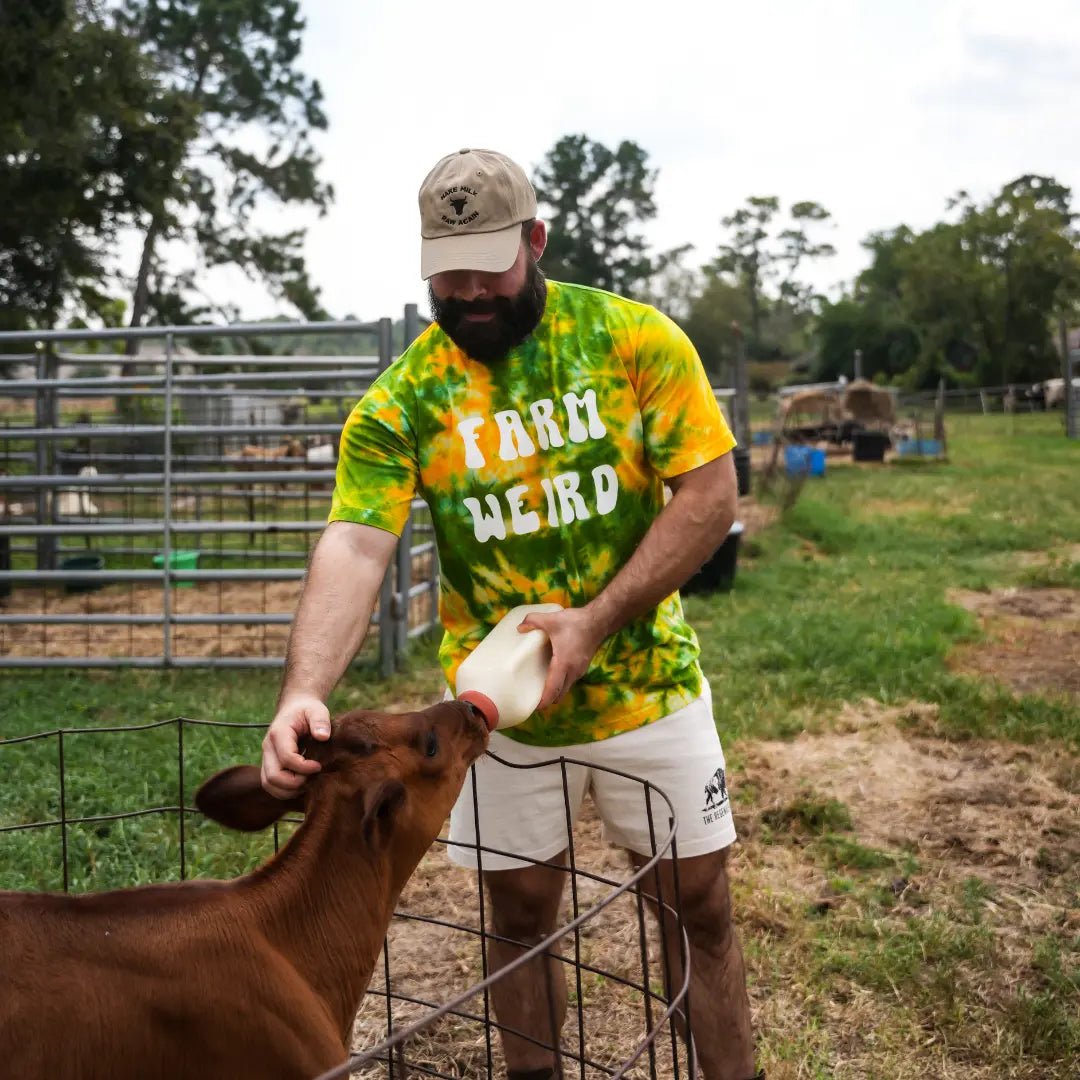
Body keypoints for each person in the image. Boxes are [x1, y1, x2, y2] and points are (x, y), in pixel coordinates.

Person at [261, 148, 762, 1080]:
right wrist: (304, 690)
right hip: (494, 717)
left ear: (536, 239)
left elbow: (709, 491)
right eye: (446, 273)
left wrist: (595, 622)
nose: (467, 291)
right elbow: (358, 541)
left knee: (699, 906)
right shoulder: (403, 399)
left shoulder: (633, 341)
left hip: (645, 686)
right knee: (522, 915)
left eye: (488, 264)